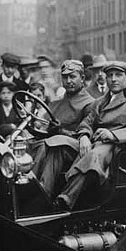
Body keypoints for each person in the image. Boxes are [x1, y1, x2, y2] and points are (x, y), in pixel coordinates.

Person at [53, 61, 126, 210]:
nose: (113, 79)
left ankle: (66, 198)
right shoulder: (100, 102)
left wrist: (113, 134)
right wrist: (84, 136)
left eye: (118, 75)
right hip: (94, 142)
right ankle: (44, 190)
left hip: (118, 147)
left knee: (94, 155)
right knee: (59, 143)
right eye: (110, 75)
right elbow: (86, 123)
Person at [30, 59, 96, 198]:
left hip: (75, 149)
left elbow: (86, 133)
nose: (68, 81)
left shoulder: (89, 104)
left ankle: (42, 191)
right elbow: (44, 128)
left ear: (82, 78)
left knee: (54, 144)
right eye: (65, 77)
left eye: (73, 76)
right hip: (52, 144)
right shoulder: (56, 103)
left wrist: (60, 131)